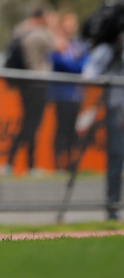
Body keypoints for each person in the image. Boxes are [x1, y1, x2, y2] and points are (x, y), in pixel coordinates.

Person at [82, 1, 124, 221]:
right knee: (117, 157)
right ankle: (112, 205)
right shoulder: (109, 49)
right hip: (117, 108)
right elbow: (88, 72)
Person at [2, 6, 56, 174]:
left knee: (30, 126)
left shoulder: (21, 30)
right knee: (30, 126)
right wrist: (52, 26)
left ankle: (28, 165)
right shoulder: (38, 34)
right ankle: (10, 163)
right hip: (36, 84)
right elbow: (57, 45)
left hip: (25, 85)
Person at [48, 11, 87, 171]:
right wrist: (72, 62)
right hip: (61, 94)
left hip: (76, 94)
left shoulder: (76, 45)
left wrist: (74, 62)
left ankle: (72, 164)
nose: (71, 27)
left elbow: (84, 64)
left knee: (73, 129)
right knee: (61, 128)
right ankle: (58, 164)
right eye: (68, 23)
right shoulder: (56, 45)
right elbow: (65, 64)